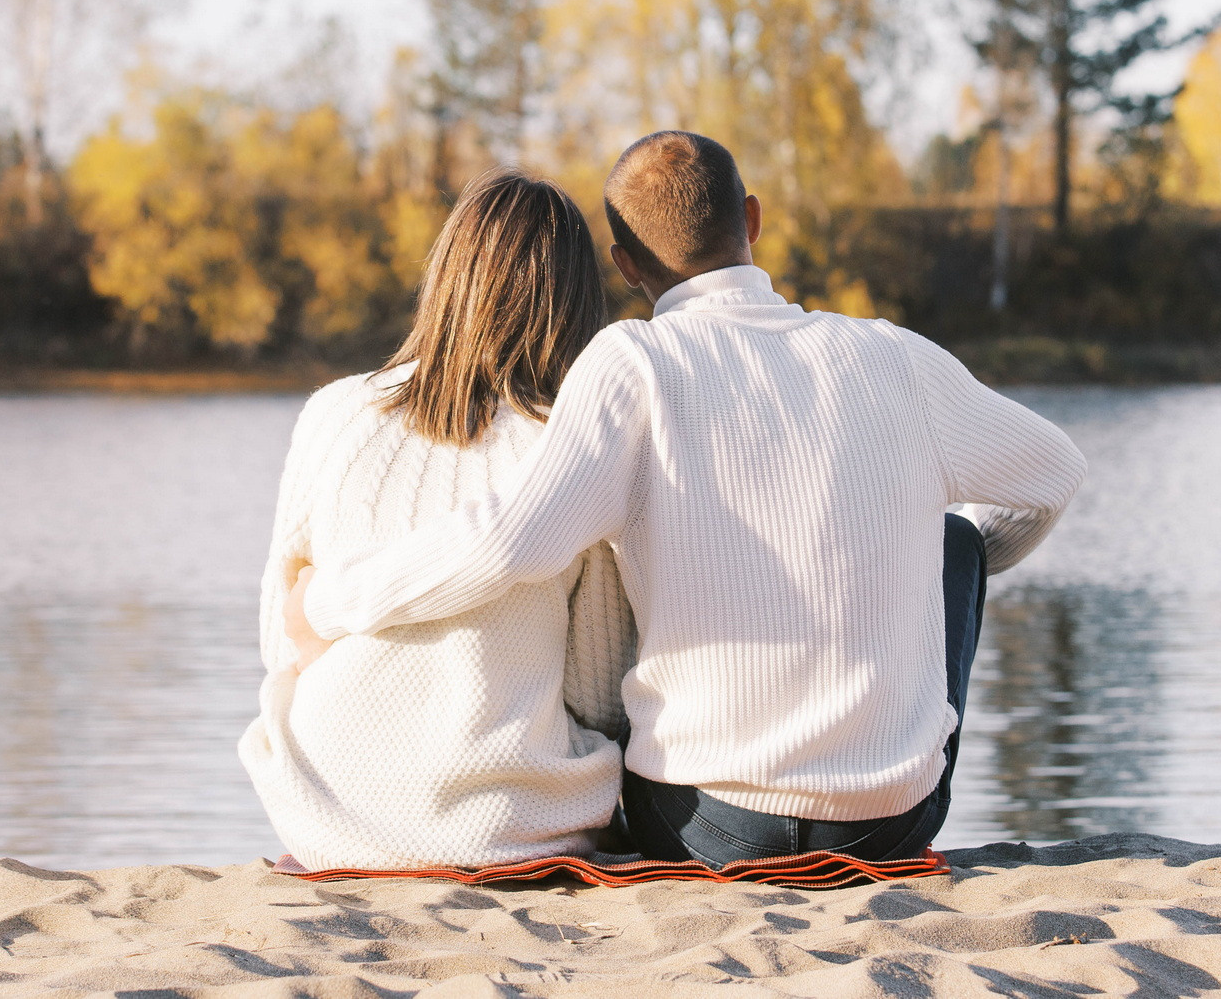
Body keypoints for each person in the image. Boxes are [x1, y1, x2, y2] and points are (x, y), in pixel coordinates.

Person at [294, 131, 1086, 868]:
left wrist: (332, 600)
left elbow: (508, 541)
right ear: (753, 219)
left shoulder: (631, 364)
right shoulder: (893, 355)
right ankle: (884, 753)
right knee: (954, 539)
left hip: (704, 825)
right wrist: (920, 554)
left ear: (625, 264)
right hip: (889, 822)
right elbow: (1055, 473)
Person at [239, 169, 635, 871]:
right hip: (501, 822)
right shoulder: (572, 450)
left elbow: (282, 638)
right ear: (576, 302)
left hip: (325, 807)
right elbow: (596, 692)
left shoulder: (336, 413)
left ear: (447, 278)